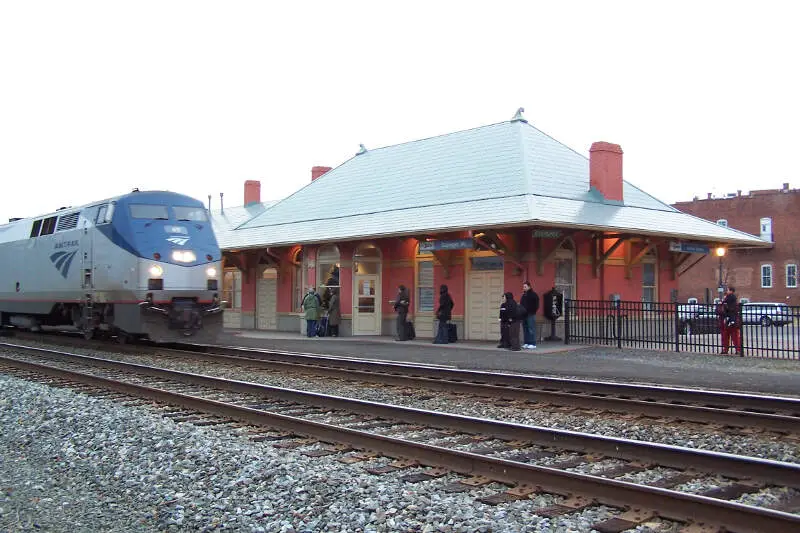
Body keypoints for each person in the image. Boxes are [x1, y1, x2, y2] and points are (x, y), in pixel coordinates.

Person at [720, 286, 742, 355]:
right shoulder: (734, 300)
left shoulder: (729, 298)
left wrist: (723, 302)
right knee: (734, 336)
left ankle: (726, 349)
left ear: (731, 291)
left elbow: (723, 308)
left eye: (728, 290)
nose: (727, 291)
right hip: (732, 320)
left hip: (728, 320)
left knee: (727, 336)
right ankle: (737, 349)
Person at [520, 281, 540, 349]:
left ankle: (532, 343)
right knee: (525, 329)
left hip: (530, 314)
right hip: (524, 315)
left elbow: (536, 305)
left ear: (529, 287)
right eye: (523, 287)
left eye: (525, 287)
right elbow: (521, 304)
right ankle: (526, 343)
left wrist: (532, 311)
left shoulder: (534, 295)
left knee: (531, 328)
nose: (524, 288)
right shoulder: (524, 295)